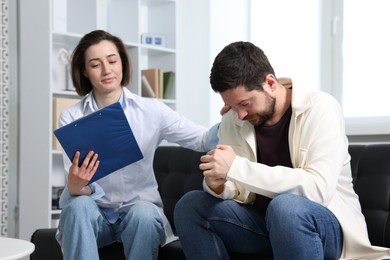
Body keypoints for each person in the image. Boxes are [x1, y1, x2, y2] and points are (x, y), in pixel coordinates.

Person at [173, 41, 390, 259]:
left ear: (269, 82)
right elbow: (239, 188)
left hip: (323, 226)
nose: (239, 114)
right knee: (190, 205)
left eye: (245, 104)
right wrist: (219, 186)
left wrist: (235, 167)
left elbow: (318, 190)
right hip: (262, 225)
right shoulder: (234, 118)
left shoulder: (321, 108)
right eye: (233, 106)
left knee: (285, 208)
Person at [55, 30, 217, 260]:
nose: (107, 70)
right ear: (84, 71)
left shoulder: (151, 110)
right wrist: (76, 186)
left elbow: (201, 138)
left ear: (122, 62)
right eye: (95, 64)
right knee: (78, 206)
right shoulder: (71, 118)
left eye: (112, 60)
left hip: (138, 213)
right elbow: (78, 189)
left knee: (143, 213)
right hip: (94, 216)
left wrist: (235, 119)